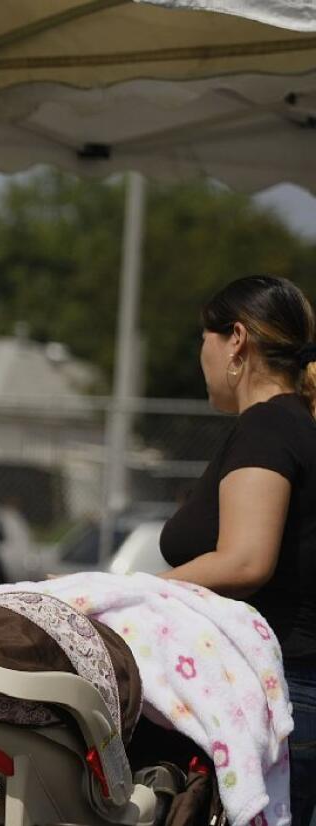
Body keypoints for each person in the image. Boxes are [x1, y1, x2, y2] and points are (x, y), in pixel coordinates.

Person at [157, 275, 316, 826]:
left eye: (204, 336)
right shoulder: (287, 424)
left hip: (282, 702)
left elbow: (246, 560)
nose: (200, 352)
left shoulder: (268, 426)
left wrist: (136, 593)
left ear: (236, 341)